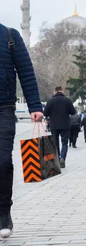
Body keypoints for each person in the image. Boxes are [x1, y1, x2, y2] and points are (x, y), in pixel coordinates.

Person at [0, 24, 43, 239]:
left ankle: (3, 212)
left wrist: (35, 105)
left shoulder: (9, 35)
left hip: (3, 108)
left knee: (3, 161)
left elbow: (26, 72)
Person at [43, 86, 77, 168]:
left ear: (54, 92)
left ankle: (57, 159)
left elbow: (45, 113)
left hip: (54, 125)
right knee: (64, 142)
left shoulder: (50, 101)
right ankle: (63, 157)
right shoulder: (67, 100)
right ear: (62, 91)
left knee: (55, 142)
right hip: (65, 125)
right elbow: (73, 112)